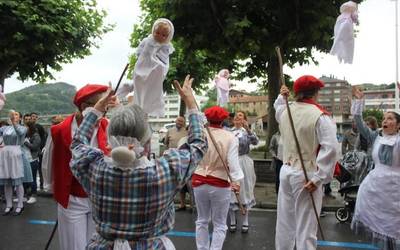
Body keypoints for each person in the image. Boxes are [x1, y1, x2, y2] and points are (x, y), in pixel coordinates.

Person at [70, 75, 207, 249]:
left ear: (110, 139)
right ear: (146, 140)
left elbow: (77, 144)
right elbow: (198, 144)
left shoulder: (95, 168)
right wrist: (191, 104)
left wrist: (97, 109)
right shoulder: (167, 169)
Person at [274, 75, 339, 250]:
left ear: (297, 92)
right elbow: (331, 148)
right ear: (316, 92)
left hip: (286, 170)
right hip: (306, 173)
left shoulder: (285, 110)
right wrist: (319, 178)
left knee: (285, 221)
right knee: (307, 225)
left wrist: (282, 97)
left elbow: (277, 108)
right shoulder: (320, 116)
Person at [42, 84, 110, 250]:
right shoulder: (58, 130)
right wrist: (51, 187)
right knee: (74, 245)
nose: (105, 111)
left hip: (100, 197)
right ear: (85, 107)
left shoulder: (107, 126)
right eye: (102, 105)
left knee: (98, 245)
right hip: (71, 197)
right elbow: (49, 159)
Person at [351, 88, 400, 250]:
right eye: (384, 118)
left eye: (390, 118)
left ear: (398, 125)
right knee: (379, 222)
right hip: (375, 189)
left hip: (395, 190)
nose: (385, 121)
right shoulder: (376, 137)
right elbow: (359, 123)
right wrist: (358, 102)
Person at [192, 105, 244, 250]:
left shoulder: (200, 133)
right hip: (219, 182)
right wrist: (236, 181)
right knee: (220, 223)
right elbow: (233, 163)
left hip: (199, 179)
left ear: (207, 118)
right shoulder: (230, 137)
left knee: (201, 220)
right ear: (223, 120)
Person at [133, 18, 175, 117]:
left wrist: (156, 61)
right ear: (153, 30)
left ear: (168, 36)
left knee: (152, 91)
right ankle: (139, 108)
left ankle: (148, 109)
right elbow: (139, 52)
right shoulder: (147, 41)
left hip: (155, 71)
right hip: (142, 67)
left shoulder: (166, 47)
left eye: (164, 35)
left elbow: (164, 61)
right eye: (157, 32)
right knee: (139, 88)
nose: (160, 36)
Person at [228, 111, 258, 233]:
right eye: (236, 116)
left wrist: (249, 129)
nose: (237, 117)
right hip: (232, 162)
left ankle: (245, 220)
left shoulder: (247, 132)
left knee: (245, 190)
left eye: (240, 116)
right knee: (231, 191)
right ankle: (232, 220)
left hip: (244, 163)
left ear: (244, 119)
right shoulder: (229, 132)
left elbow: (255, 142)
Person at [0, 110, 29, 215]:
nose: (14, 116)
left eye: (16, 114)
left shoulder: (23, 128)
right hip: (5, 154)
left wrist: (14, 123)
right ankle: (9, 205)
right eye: (13, 114)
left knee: (17, 181)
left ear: (20, 118)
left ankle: (20, 205)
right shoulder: (4, 128)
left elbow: (20, 133)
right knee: (6, 181)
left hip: (16, 153)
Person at [162, 116, 191, 211]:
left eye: (182, 121)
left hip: (185, 160)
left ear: (184, 123)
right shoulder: (169, 131)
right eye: (178, 120)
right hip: (172, 160)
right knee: (177, 183)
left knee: (188, 183)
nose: (179, 122)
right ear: (175, 120)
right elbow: (166, 144)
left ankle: (192, 204)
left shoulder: (187, 132)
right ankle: (182, 204)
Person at [23, 121, 41, 204]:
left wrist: (26, 143)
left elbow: (35, 147)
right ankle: (24, 195)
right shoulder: (25, 135)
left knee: (33, 178)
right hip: (25, 159)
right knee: (25, 178)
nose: (24, 128)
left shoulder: (36, 135)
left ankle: (34, 195)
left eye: (25, 126)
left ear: (30, 127)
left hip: (33, 159)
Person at [30, 112, 47, 190]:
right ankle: (30, 185)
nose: (34, 118)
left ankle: (41, 184)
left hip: (39, 151)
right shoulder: (27, 127)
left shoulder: (39, 127)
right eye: (33, 116)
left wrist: (41, 148)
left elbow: (43, 138)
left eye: (36, 117)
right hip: (30, 151)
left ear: (37, 118)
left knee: (40, 167)